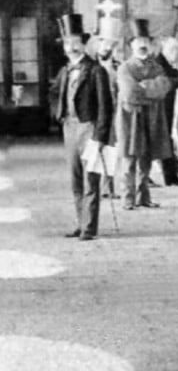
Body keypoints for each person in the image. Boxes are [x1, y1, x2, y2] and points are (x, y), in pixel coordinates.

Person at [52, 14, 113, 241]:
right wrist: (59, 115)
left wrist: (100, 136)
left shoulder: (97, 71)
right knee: (75, 179)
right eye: (68, 43)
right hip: (70, 127)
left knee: (91, 179)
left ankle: (89, 227)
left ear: (84, 44)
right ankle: (81, 222)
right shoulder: (66, 70)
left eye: (76, 43)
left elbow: (106, 107)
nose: (72, 47)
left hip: (89, 127)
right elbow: (56, 94)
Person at [115, 19, 178, 211]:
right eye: (138, 41)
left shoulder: (157, 67)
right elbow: (129, 93)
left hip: (150, 118)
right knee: (129, 158)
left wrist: (145, 89)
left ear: (151, 45)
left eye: (146, 41)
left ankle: (144, 197)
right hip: (130, 118)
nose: (142, 45)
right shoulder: (125, 68)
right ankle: (128, 198)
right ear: (131, 44)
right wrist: (151, 93)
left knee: (146, 158)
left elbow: (164, 88)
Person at [93, 15, 124, 198]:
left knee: (111, 150)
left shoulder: (118, 66)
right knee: (95, 151)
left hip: (114, 113)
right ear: (99, 43)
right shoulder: (91, 66)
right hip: (96, 114)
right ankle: (94, 187)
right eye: (105, 43)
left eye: (111, 45)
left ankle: (108, 188)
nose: (108, 47)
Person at [153, 36, 178, 186]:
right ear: (171, 51)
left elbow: (173, 73)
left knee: (166, 140)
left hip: (163, 110)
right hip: (160, 110)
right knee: (164, 141)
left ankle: (171, 177)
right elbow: (169, 82)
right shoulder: (159, 64)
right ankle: (170, 177)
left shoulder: (162, 62)